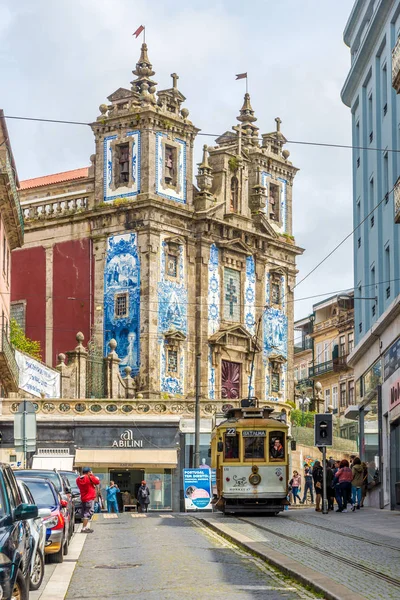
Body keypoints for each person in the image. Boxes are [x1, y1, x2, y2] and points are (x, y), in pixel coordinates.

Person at [76, 466, 100, 533]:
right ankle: (84, 528)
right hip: (89, 498)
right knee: (88, 513)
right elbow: (97, 481)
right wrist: (92, 475)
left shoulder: (78, 479)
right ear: (89, 472)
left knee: (85, 512)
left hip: (83, 498)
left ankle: (85, 527)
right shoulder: (89, 477)